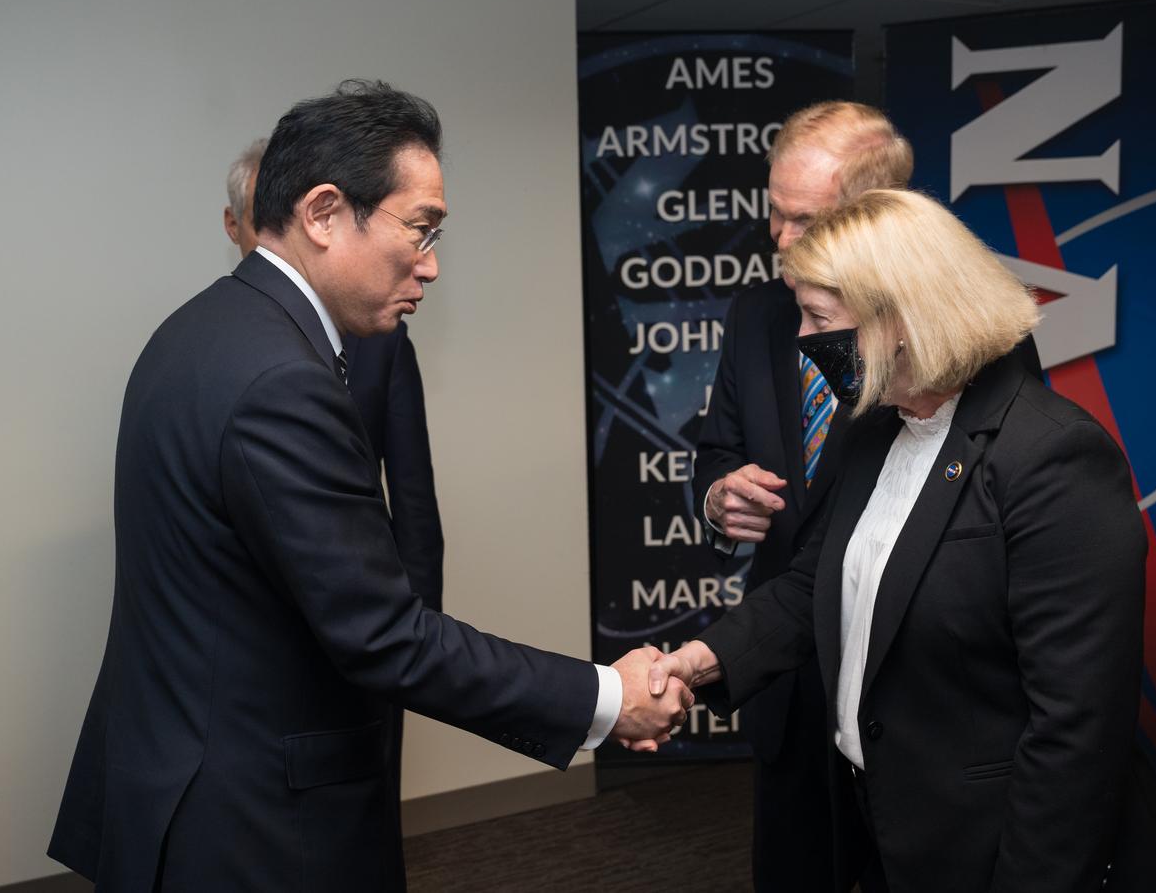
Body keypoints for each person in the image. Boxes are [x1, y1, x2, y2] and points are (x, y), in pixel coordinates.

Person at [47, 80, 692, 893]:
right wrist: (605, 695)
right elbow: (384, 634)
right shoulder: (283, 379)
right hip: (253, 821)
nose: (431, 263)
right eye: (420, 229)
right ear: (324, 213)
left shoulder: (195, 331)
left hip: (174, 780)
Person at [658, 189, 1156, 892]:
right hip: (893, 830)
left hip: (1005, 851)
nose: (802, 339)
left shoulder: (1054, 459)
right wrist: (697, 662)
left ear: (900, 320)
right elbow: (814, 585)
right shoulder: (874, 429)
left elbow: (1077, 732)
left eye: (819, 319)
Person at [691, 101, 914, 890]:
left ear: (875, 218)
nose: (780, 240)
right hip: (787, 689)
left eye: (806, 221)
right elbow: (717, 449)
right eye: (774, 213)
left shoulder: (948, 339)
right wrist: (718, 497)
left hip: (905, 695)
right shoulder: (757, 314)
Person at [226, 138, 448, 869]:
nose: (428, 266)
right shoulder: (252, 365)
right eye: (419, 231)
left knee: (363, 828)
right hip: (280, 683)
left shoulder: (381, 341)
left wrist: (420, 642)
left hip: (378, 640)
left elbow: (413, 504)